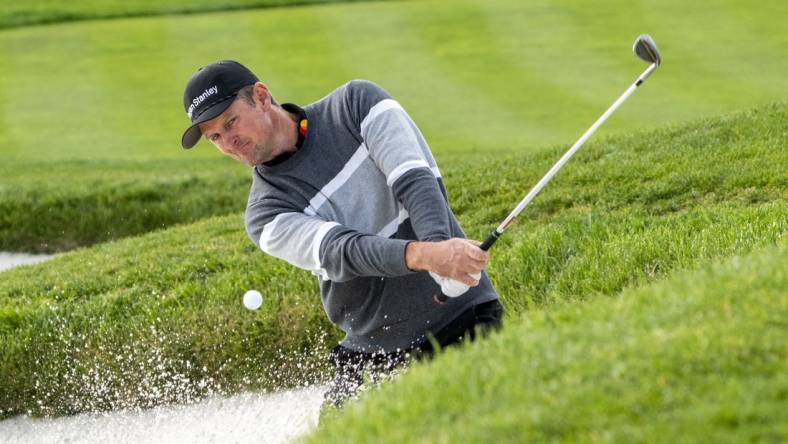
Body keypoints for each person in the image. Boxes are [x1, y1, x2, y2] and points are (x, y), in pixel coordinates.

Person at [180, 60, 503, 408]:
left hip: (460, 320)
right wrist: (428, 256)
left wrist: (441, 248)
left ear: (261, 97)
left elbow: (414, 179)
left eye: (231, 122)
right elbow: (343, 251)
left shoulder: (355, 105)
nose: (230, 143)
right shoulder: (265, 215)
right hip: (375, 352)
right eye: (215, 137)